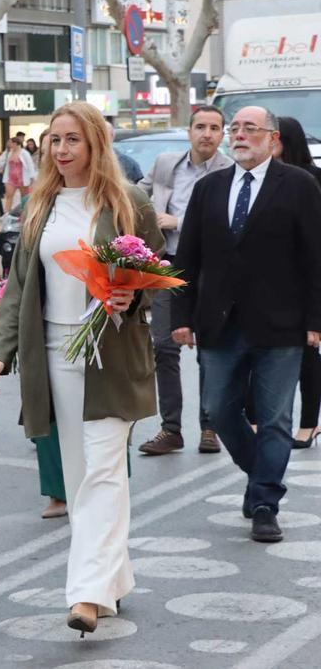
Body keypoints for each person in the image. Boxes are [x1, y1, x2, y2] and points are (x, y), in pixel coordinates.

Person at [0, 101, 162, 636]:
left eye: (71, 140)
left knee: (104, 471)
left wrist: (134, 299)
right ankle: (113, 581)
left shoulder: (129, 202)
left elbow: (153, 270)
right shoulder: (41, 205)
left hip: (111, 354)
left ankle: (85, 593)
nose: (60, 151)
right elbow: (17, 287)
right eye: (53, 141)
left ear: (95, 145)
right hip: (55, 355)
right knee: (83, 475)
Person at [172, 106, 321, 543]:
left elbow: (316, 257)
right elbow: (188, 258)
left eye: (249, 129)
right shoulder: (209, 188)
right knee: (218, 409)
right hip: (219, 323)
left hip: (282, 324)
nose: (238, 135)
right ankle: (260, 474)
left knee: (275, 418)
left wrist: (316, 319)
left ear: (272, 139)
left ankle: (263, 504)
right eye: (234, 129)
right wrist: (180, 316)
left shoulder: (299, 186)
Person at [136, 105, 233, 456]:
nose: (207, 134)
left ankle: (210, 427)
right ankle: (171, 429)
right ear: (189, 131)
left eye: (214, 128)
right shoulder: (166, 163)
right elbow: (136, 194)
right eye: (200, 127)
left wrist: (177, 222)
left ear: (222, 134)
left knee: (209, 350)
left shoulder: (231, 170)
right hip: (167, 265)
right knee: (163, 346)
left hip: (211, 270)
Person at [273, 116, 321, 449]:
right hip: (275, 280)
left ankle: (308, 423)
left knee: (307, 350)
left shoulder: (311, 178)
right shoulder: (260, 179)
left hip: (308, 276)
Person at [3, 136, 37, 213]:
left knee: (24, 197)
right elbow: (7, 166)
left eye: (11, 143)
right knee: (9, 196)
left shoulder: (25, 153)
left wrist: (32, 178)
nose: (10, 145)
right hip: (11, 179)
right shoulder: (10, 153)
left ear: (16, 144)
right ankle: (6, 213)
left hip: (22, 179)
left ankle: (23, 212)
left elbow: (30, 165)